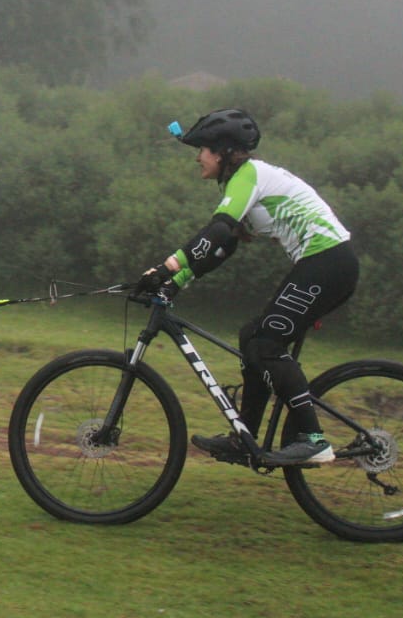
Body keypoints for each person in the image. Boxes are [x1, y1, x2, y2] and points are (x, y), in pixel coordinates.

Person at [137, 108, 359, 466]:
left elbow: (218, 231)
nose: (198, 157)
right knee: (252, 335)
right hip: (326, 264)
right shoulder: (245, 182)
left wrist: (166, 267)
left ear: (223, 151)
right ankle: (246, 438)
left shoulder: (249, 175)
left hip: (328, 262)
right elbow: (223, 248)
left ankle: (313, 438)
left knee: (266, 342)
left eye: (203, 149)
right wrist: (172, 284)